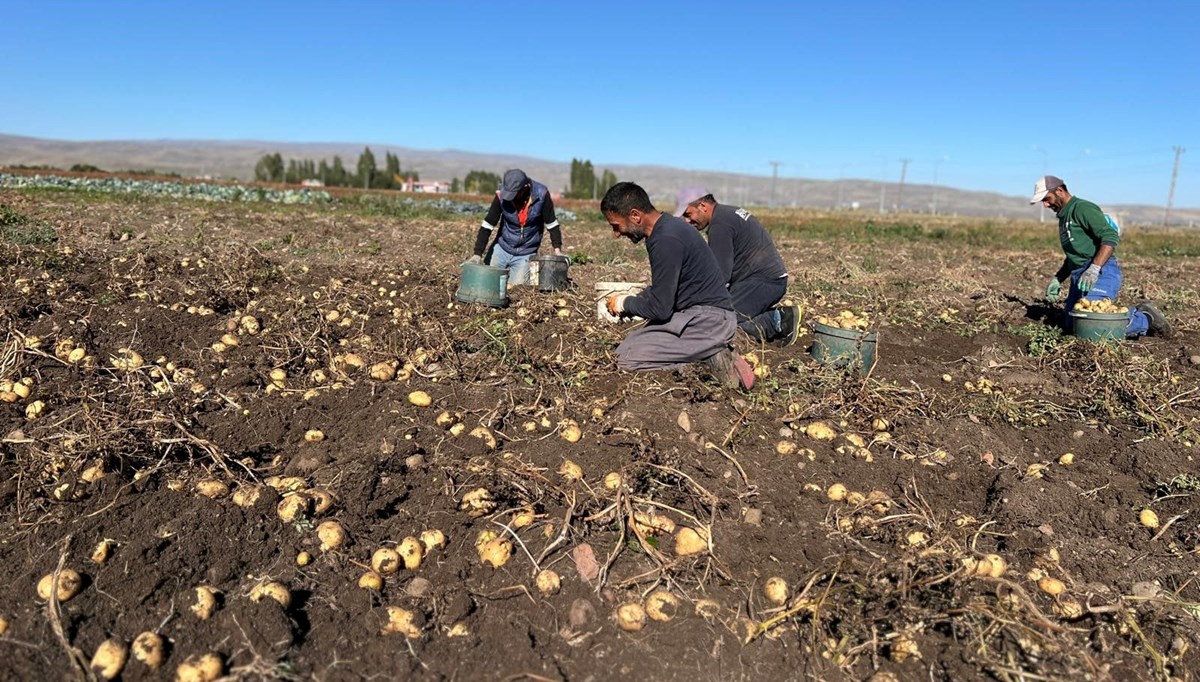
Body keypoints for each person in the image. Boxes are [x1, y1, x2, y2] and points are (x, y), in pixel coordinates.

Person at [600, 182, 755, 389]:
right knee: (634, 340)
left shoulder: (665, 239)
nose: (617, 234)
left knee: (624, 358)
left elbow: (660, 309)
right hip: (701, 316)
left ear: (635, 216)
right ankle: (706, 351)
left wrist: (624, 303)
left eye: (616, 226)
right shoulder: (668, 228)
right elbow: (666, 290)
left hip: (708, 322)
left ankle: (706, 365)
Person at [1031, 175, 1171, 338]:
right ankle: (1129, 320)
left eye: (1046, 199)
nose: (1045, 204)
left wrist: (1094, 268)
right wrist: (1058, 278)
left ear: (1060, 191)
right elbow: (1075, 256)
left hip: (1101, 271)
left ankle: (1145, 318)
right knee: (1073, 325)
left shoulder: (1082, 208)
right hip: (1079, 276)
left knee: (1092, 326)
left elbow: (1110, 236)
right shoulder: (1064, 218)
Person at [676, 187, 801, 345]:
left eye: (688, 214)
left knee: (717, 324)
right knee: (716, 316)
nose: (687, 220)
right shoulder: (727, 213)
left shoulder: (719, 225)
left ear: (702, 206)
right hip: (763, 280)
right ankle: (768, 316)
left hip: (763, 282)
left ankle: (778, 320)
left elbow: (721, 274)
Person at [467, 169, 563, 285]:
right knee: (490, 283)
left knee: (520, 289)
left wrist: (558, 251)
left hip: (527, 251)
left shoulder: (542, 194)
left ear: (525, 187)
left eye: (515, 194)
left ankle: (526, 276)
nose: (511, 198)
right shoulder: (501, 195)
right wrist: (477, 254)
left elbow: (552, 224)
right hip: (502, 247)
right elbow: (488, 224)